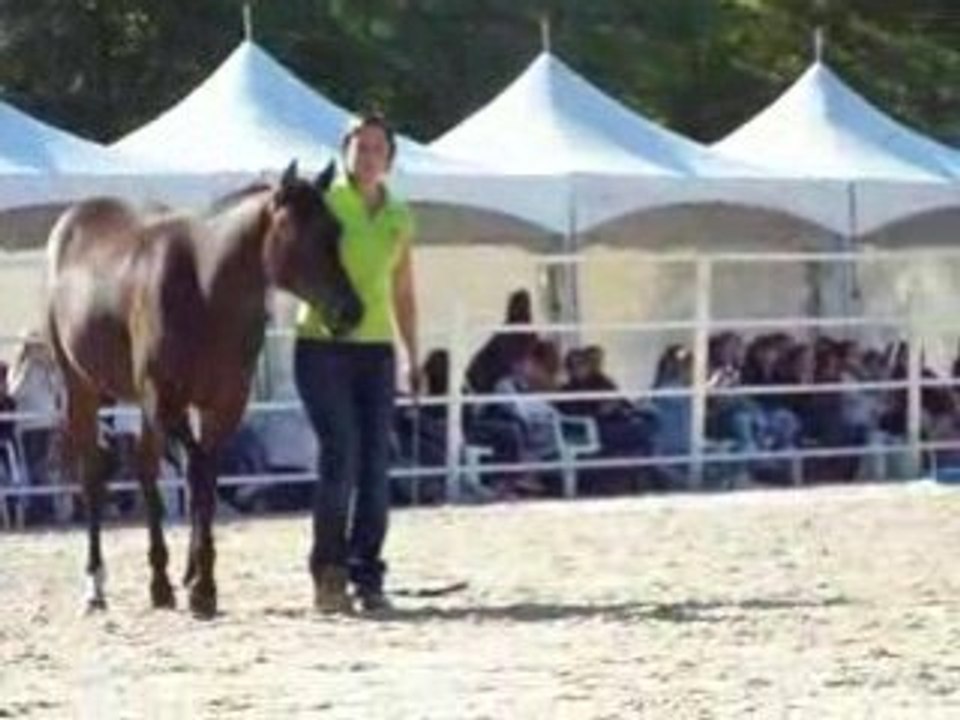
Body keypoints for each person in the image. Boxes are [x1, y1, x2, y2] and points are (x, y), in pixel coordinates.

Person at [294, 112, 418, 614]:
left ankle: (369, 574)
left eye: (378, 149)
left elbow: (404, 291)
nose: (368, 156)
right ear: (345, 150)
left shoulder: (399, 217)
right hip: (322, 345)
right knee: (340, 454)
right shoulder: (324, 202)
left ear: (389, 160)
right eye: (360, 147)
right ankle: (328, 572)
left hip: (376, 348)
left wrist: (412, 352)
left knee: (375, 464)